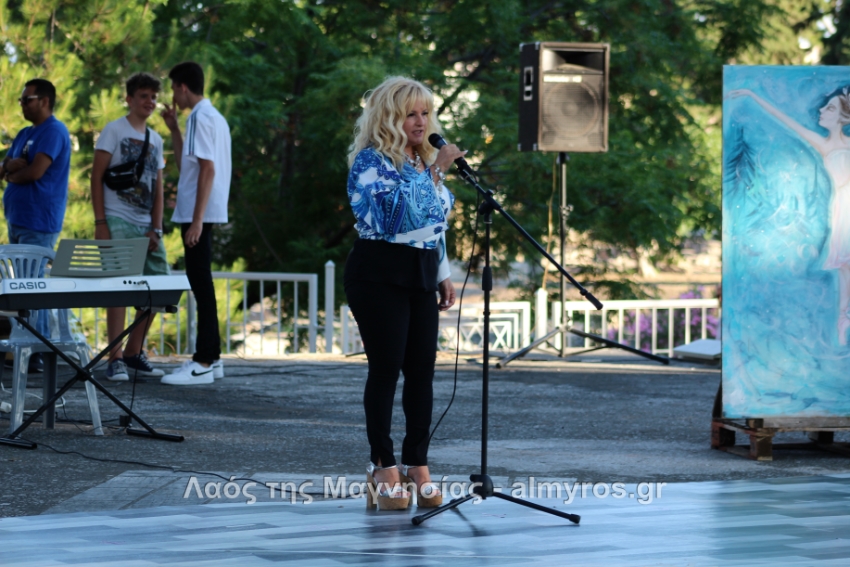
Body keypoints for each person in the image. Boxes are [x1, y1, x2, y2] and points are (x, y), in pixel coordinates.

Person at [344, 76, 462, 510]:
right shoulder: (371, 161)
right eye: (410, 113)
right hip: (378, 273)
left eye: (425, 113)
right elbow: (395, 215)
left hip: (420, 273)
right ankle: (382, 465)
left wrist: (442, 273)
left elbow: (433, 224)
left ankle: (417, 462)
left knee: (422, 372)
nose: (420, 121)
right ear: (389, 117)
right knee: (386, 369)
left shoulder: (421, 160)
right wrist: (437, 171)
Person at [728, 87, 850, 345]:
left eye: (830, 108)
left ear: (843, 117)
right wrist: (752, 94)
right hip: (843, 209)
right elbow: (786, 120)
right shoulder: (824, 144)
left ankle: (843, 323)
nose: (821, 110)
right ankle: (843, 323)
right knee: (844, 270)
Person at [91, 72, 169, 382]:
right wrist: (100, 222)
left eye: (153, 97)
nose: (150, 102)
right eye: (143, 96)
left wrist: (157, 228)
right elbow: (96, 176)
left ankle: (134, 351)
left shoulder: (157, 139)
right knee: (120, 289)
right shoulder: (114, 130)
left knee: (159, 286)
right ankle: (115, 358)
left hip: (146, 225)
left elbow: (158, 187)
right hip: (117, 217)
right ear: (129, 99)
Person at [160, 62, 230, 385]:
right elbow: (186, 165)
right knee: (202, 282)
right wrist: (174, 128)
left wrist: (197, 220)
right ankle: (212, 358)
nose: (174, 96)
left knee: (200, 283)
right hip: (202, 211)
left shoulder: (201, 118)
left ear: (183, 87)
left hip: (197, 212)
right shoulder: (211, 117)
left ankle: (203, 361)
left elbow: (208, 169)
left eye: (174, 89)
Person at [0, 78, 71, 372]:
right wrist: (8, 167)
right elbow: (4, 166)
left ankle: (35, 351)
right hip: (18, 219)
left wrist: (11, 174)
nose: (22, 104)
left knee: (33, 285)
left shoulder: (53, 130)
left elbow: (35, 172)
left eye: (26, 99)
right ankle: (21, 348)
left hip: (39, 220)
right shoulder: (24, 133)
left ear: (44, 101)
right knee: (20, 285)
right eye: (21, 99)